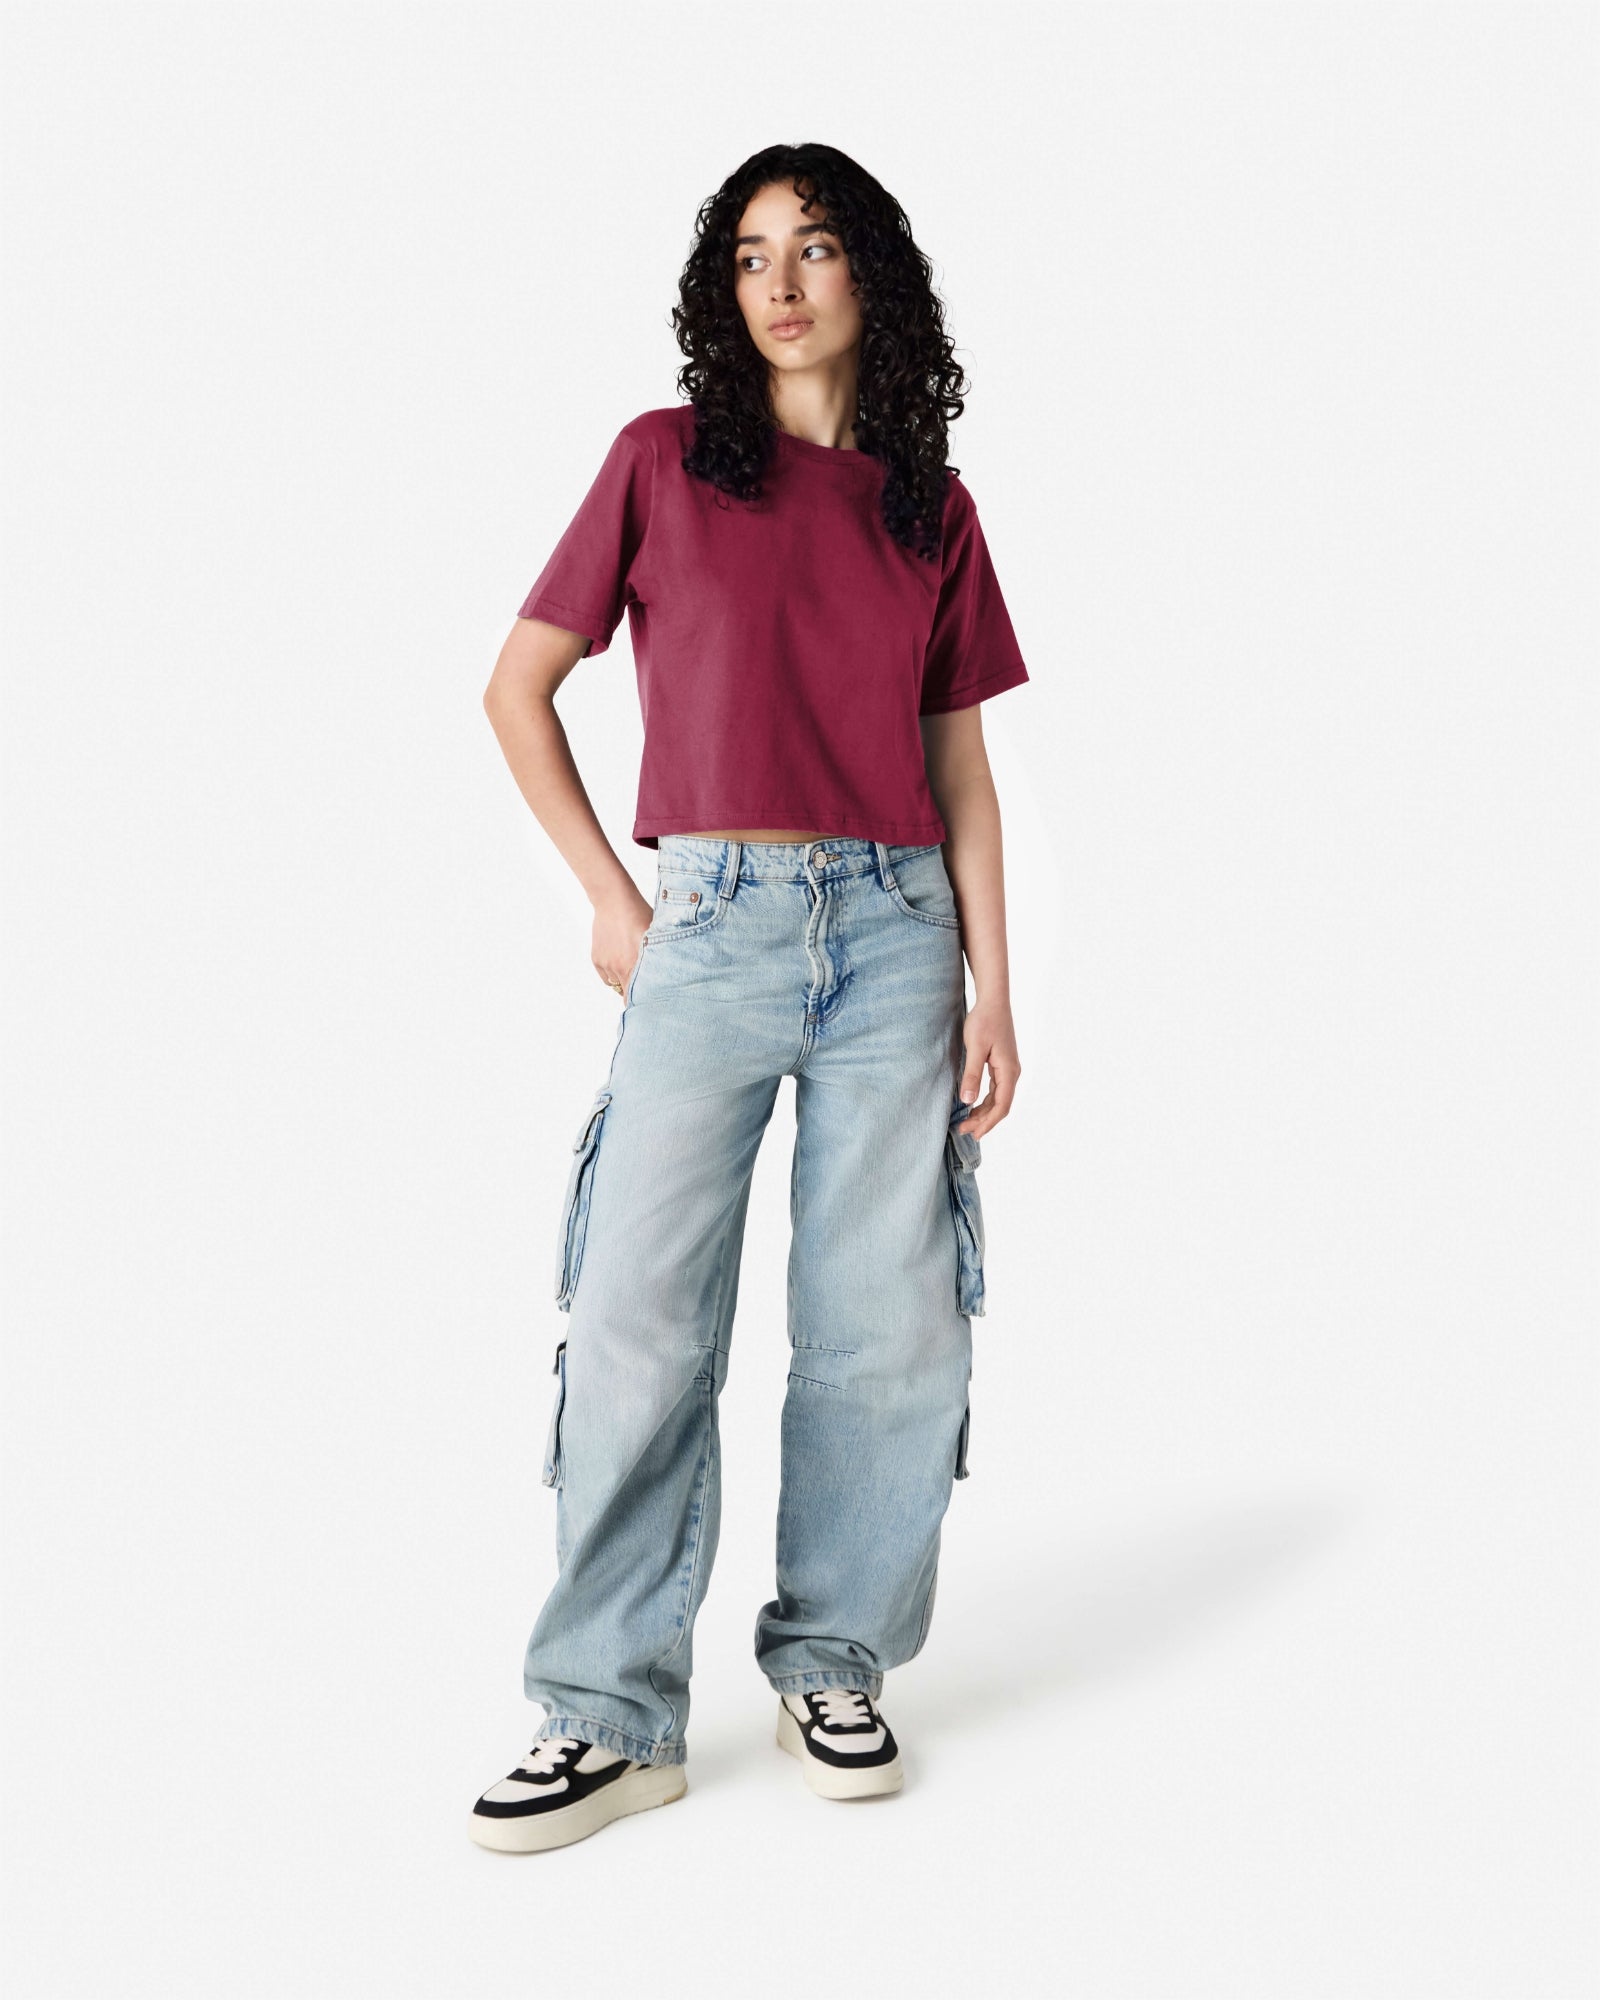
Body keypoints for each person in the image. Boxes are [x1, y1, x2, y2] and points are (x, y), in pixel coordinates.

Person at [469, 142, 1029, 1854]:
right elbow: (516, 691)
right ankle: (608, 1712)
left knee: (885, 1326)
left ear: (876, 279)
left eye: (817, 248)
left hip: (892, 930)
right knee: (639, 1321)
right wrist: (615, 901)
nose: (781, 282)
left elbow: (962, 764)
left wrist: (996, 983)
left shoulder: (931, 506)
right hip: (705, 921)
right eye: (751, 254)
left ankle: (833, 1657)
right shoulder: (661, 464)